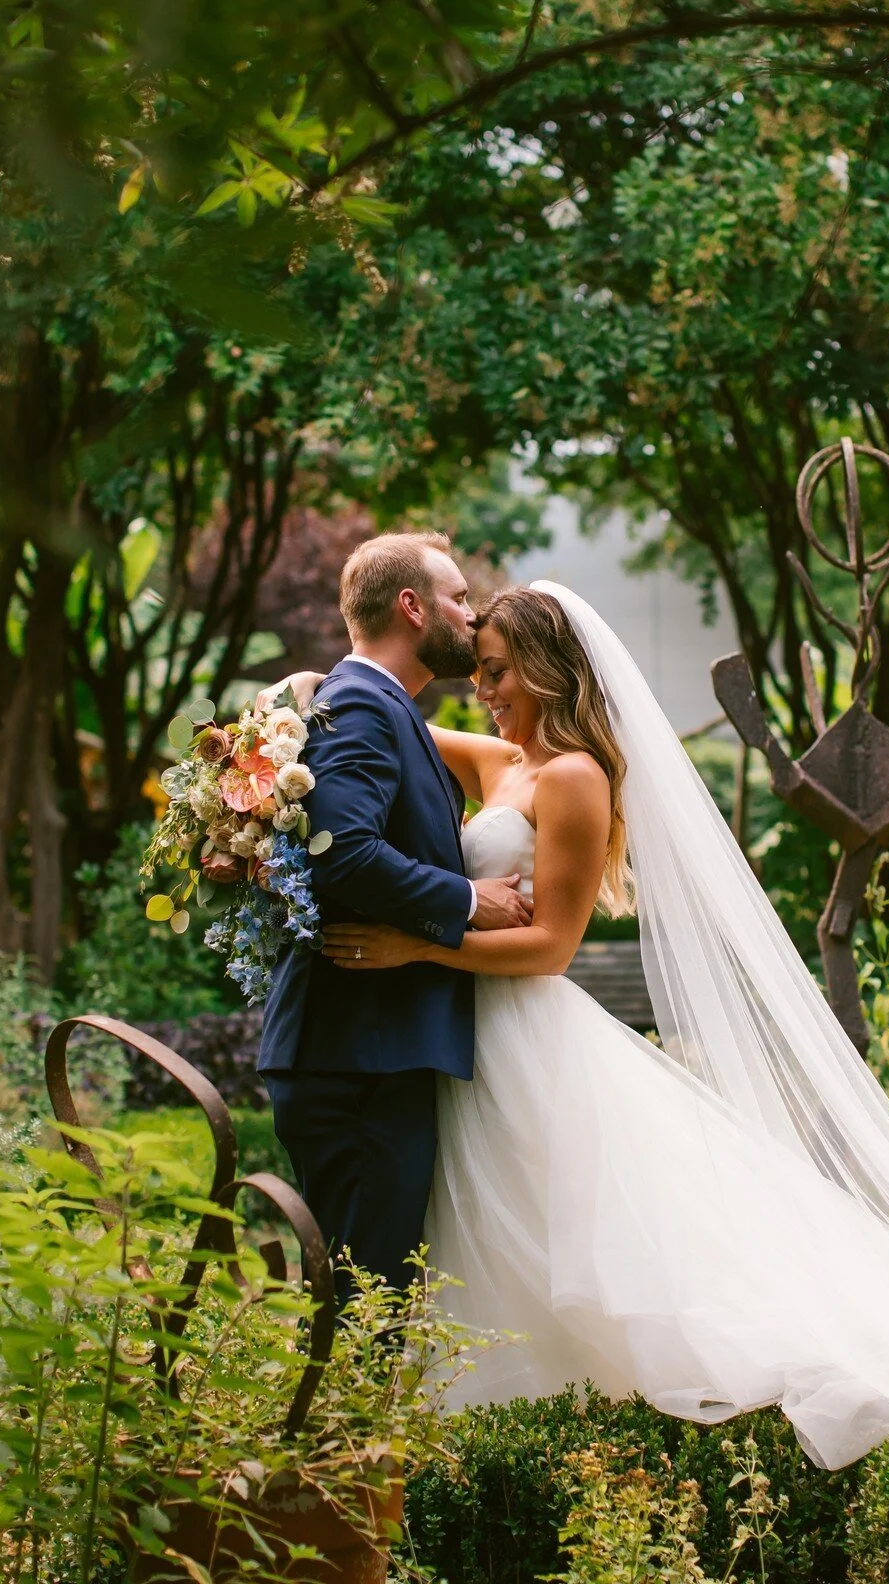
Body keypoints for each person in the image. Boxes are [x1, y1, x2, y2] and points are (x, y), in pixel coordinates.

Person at [309, 580, 889, 1511]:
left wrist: (415, 944)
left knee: (590, 1245)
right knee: (496, 1238)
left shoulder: (578, 776)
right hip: (468, 1037)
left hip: (523, 1028)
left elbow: (551, 949)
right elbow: (379, 715)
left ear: (548, 668)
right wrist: (302, 697)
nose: (482, 688)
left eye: (498, 671)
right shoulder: (500, 759)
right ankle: (488, 1459)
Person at [256, 532, 532, 1293]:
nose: (471, 619)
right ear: (411, 606)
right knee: (364, 1300)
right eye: (459, 598)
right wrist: (472, 901)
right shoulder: (364, 707)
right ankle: (345, 1419)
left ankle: (352, 1416)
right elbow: (339, 852)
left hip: (371, 1050)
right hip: (356, 1057)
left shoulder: (377, 705)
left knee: (373, 1296)